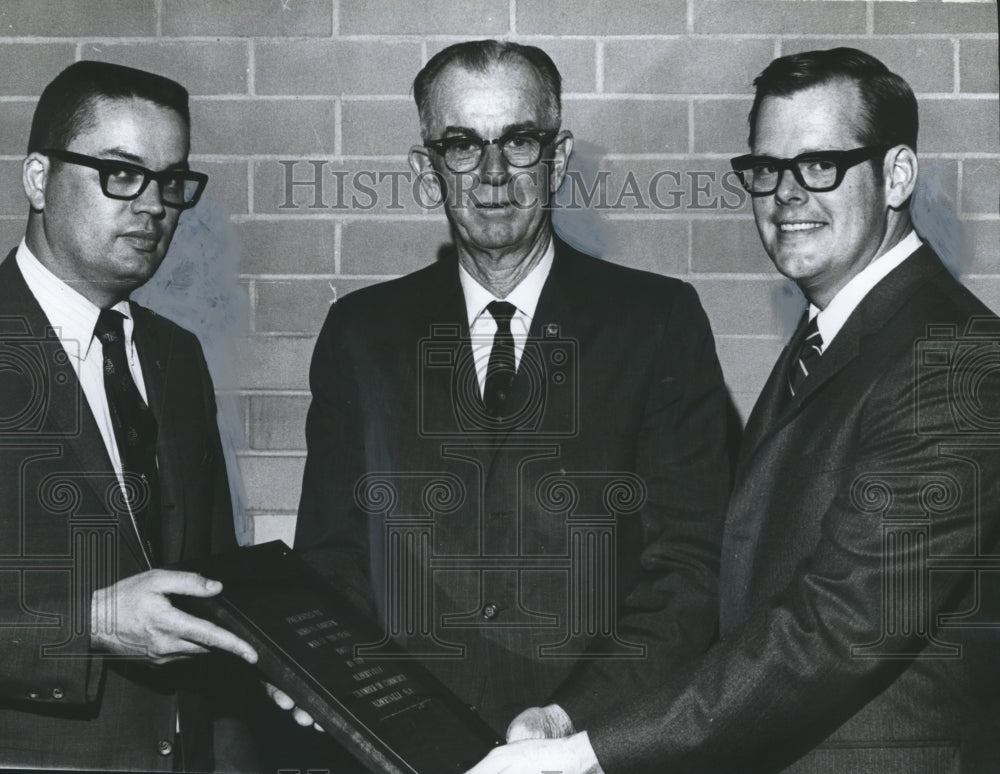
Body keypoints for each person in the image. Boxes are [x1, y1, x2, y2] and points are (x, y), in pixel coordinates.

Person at [467, 47, 1000, 774]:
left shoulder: (952, 355)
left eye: (820, 165)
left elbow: (839, 626)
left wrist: (588, 755)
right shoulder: (833, 336)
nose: (786, 195)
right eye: (766, 169)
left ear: (898, 174)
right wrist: (572, 716)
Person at [289, 39, 731, 742]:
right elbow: (332, 556)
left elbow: (691, 567)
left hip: (595, 742)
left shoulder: (656, 322)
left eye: (520, 141)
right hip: (406, 743)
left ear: (556, 159)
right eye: (462, 145)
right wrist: (332, 681)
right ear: (428, 170)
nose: (493, 174)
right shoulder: (360, 332)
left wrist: (571, 718)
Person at [0, 60, 258, 771]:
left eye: (170, 181)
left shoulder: (176, 357)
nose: (153, 205)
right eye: (120, 173)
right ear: (37, 180)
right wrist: (89, 625)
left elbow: (213, 601)